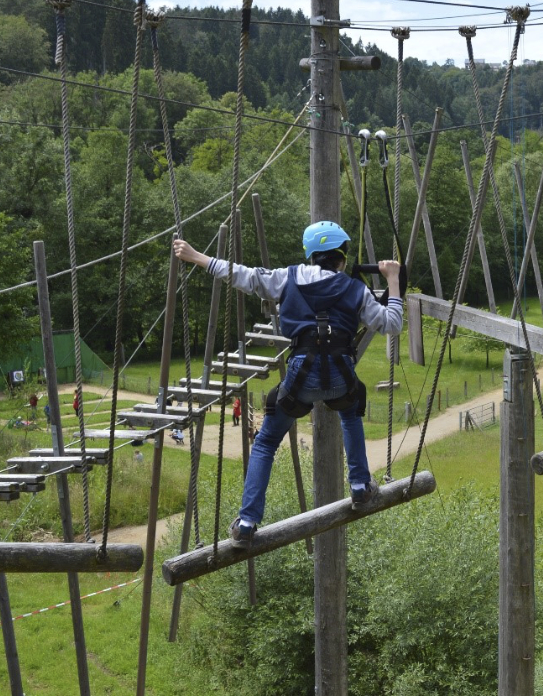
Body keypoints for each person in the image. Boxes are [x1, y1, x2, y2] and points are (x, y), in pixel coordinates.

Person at [173, 220, 403, 550]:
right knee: (350, 412)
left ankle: (248, 522)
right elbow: (391, 323)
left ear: (312, 256)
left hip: (300, 375)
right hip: (340, 375)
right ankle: (360, 486)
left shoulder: (288, 278)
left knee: (266, 441)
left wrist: (198, 257)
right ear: (342, 256)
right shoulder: (356, 289)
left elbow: (243, 276)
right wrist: (392, 280)